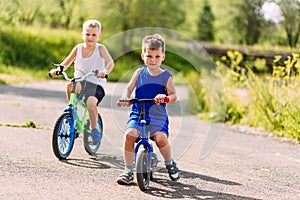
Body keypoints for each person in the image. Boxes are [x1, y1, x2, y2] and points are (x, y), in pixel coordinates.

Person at [116, 34, 180, 185]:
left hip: (157, 116)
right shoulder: (139, 73)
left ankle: (170, 163)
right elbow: (128, 88)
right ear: (142, 55)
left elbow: (174, 95)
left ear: (163, 56)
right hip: (139, 113)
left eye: (157, 56)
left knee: (160, 139)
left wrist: (165, 97)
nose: (153, 60)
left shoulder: (166, 76)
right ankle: (128, 170)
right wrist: (125, 97)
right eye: (149, 56)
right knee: (129, 136)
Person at [49, 19, 114, 144]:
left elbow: (110, 62)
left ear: (99, 36)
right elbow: (65, 63)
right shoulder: (78, 48)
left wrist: (105, 71)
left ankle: (94, 130)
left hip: (96, 84)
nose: (90, 37)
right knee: (70, 85)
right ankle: (72, 110)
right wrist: (58, 70)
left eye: (94, 35)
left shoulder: (100, 49)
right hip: (81, 81)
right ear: (82, 34)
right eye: (87, 34)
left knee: (91, 103)